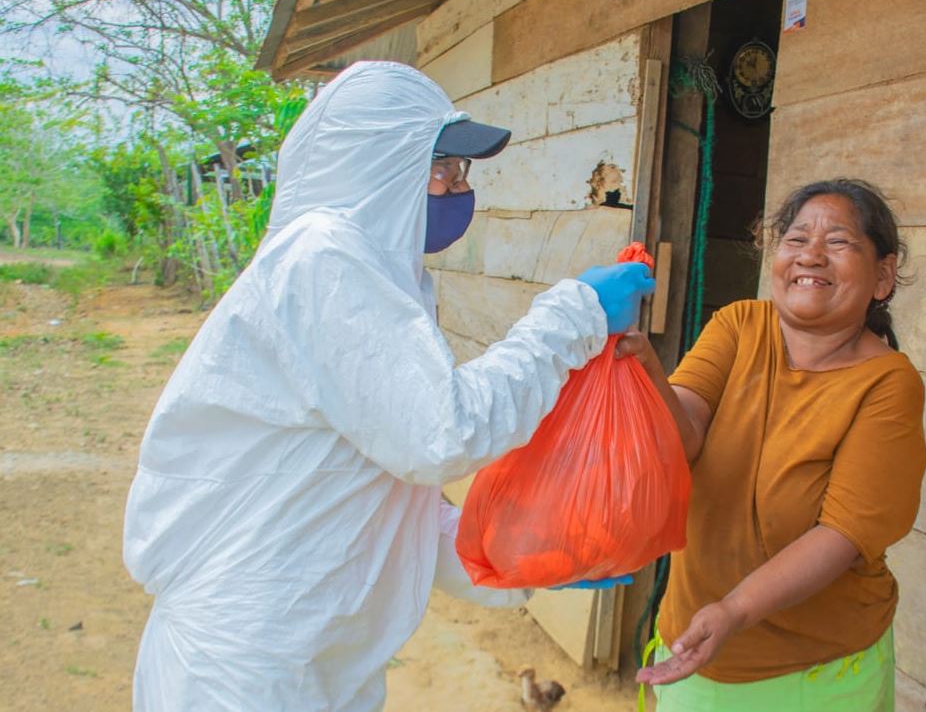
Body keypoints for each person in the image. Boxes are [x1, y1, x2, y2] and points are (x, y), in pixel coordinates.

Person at [122, 61, 653, 712]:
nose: (459, 187)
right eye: (444, 168)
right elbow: (442, 436)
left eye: (462, 171)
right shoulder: (323, 261)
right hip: (245, 665)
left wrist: (519, 560)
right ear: (377, 167)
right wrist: (575, 314)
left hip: (313, 659)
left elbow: (393, 504)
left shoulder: (384, 281)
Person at [621, 179, 926, 711]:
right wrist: (646, 368)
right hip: (693, 639)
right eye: (796, 238)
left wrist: (735, 610)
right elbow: (685, 435)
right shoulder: (740, 324)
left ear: (883, 276)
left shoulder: (887, 384)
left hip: (816, 674)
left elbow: (841, 534)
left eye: (839, 242)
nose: (811, 254)